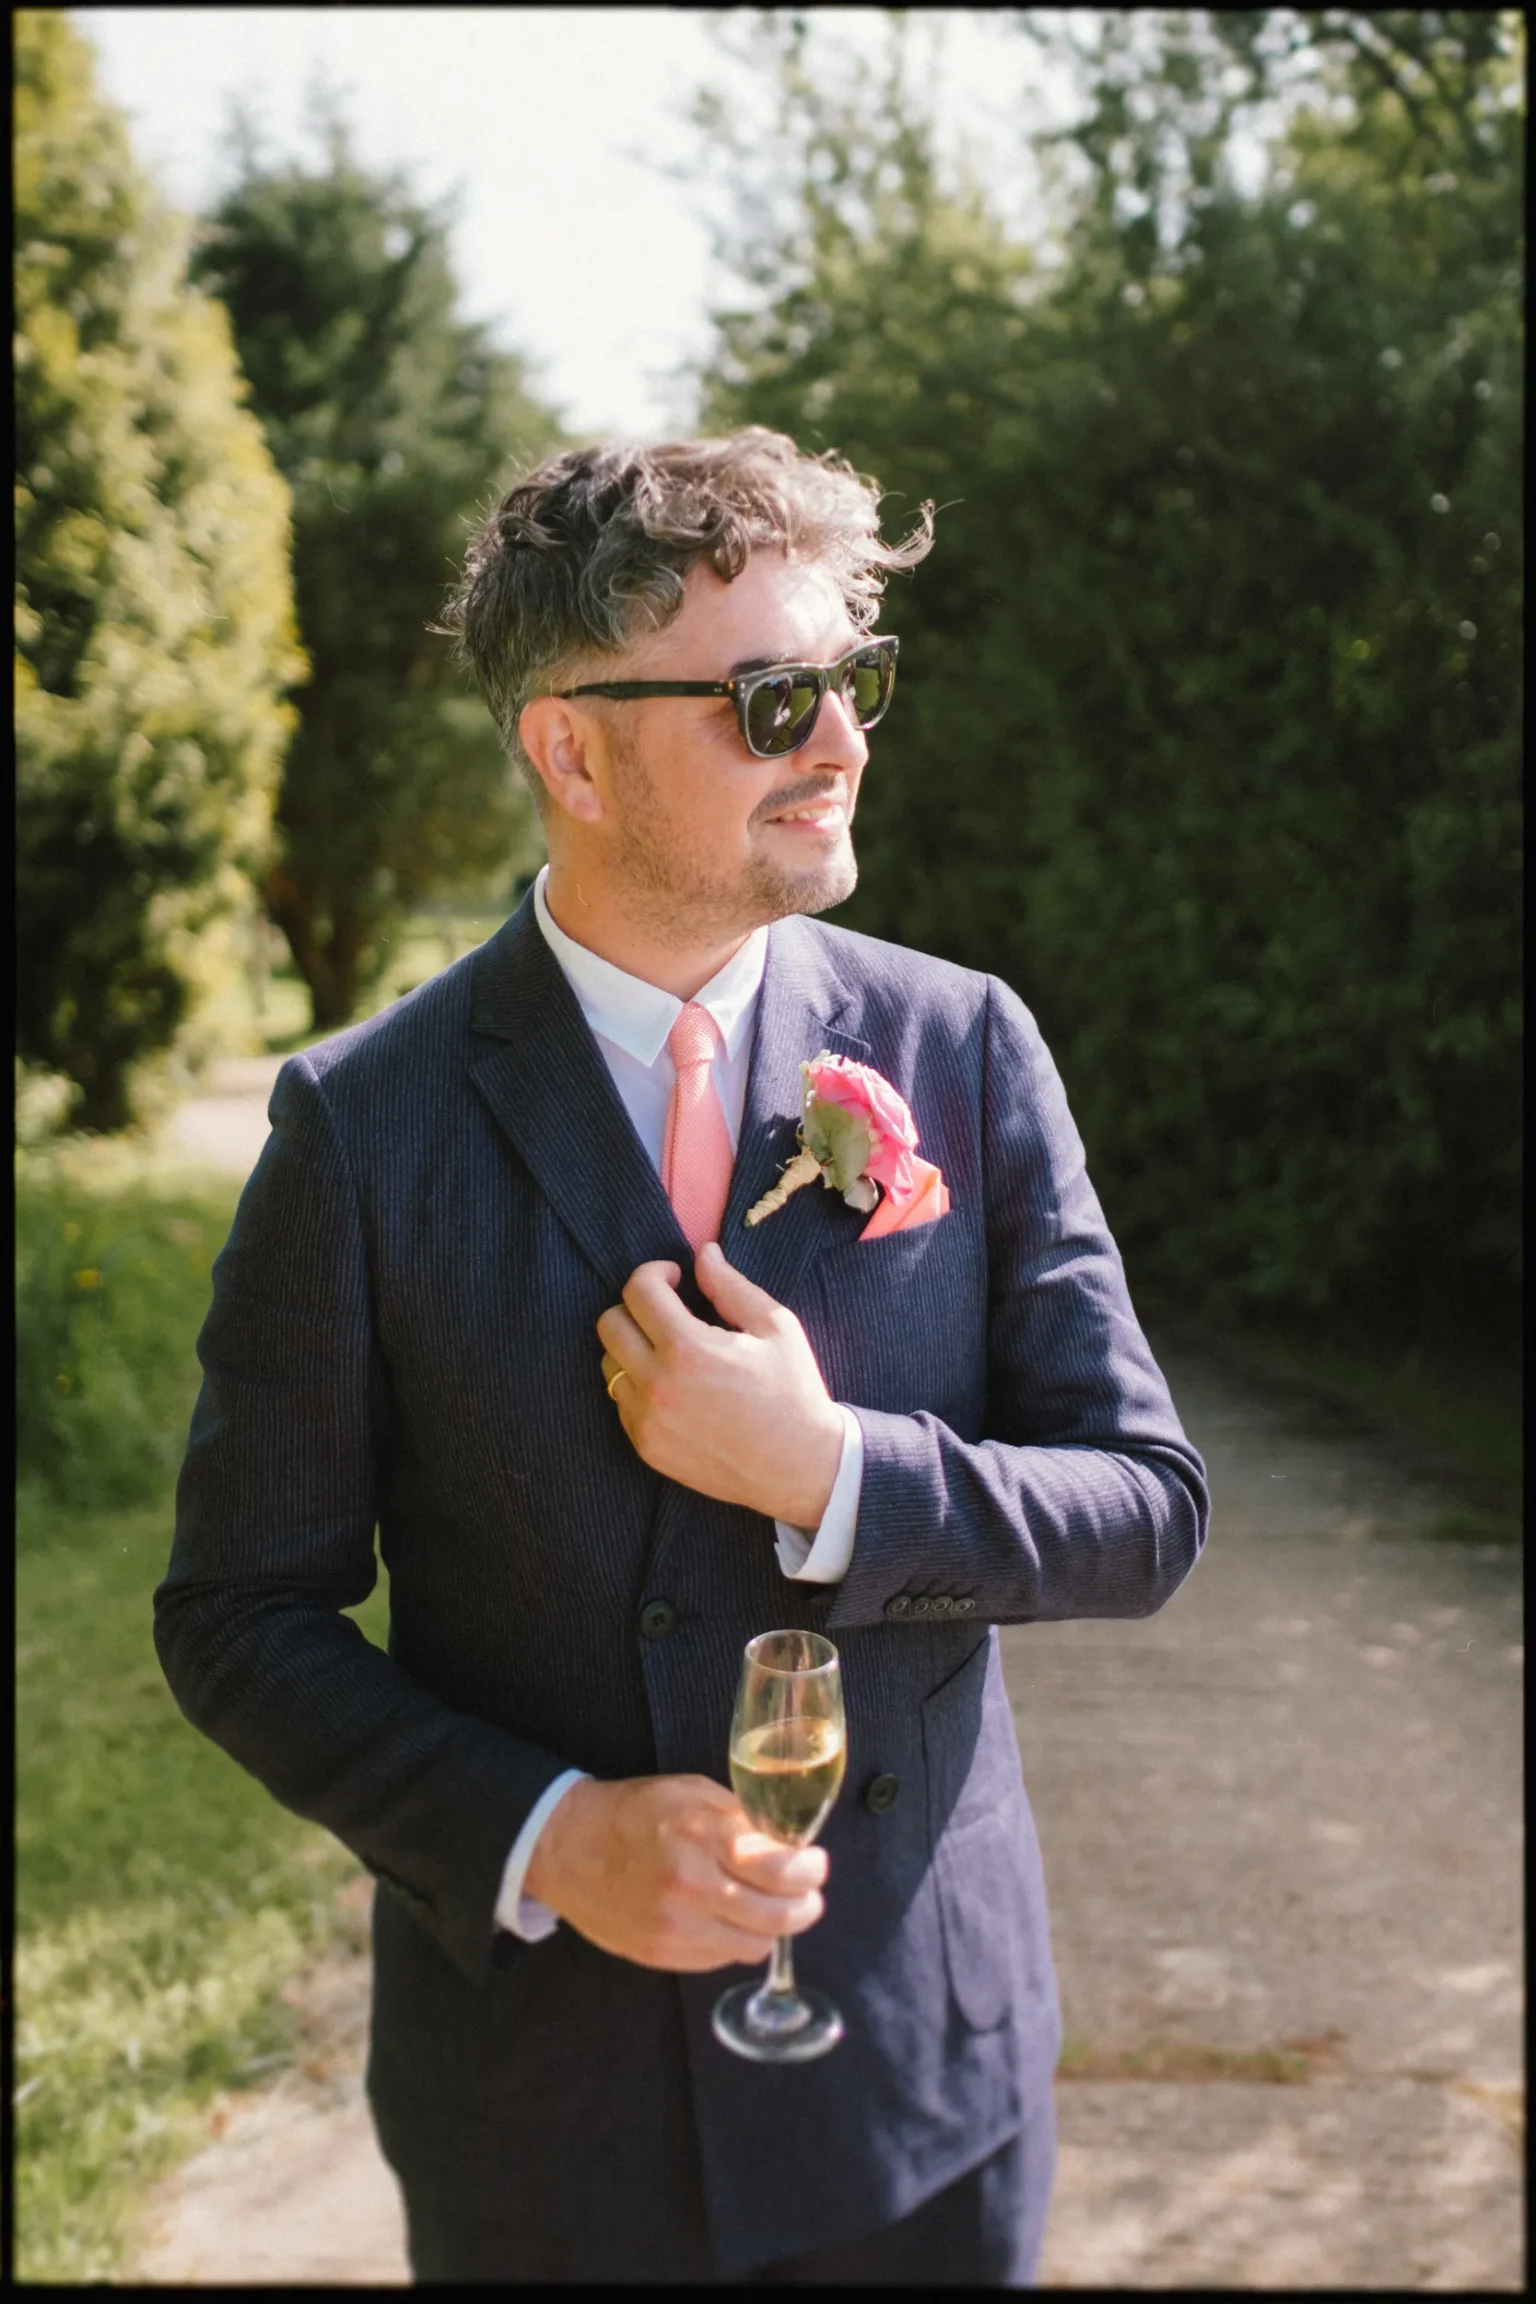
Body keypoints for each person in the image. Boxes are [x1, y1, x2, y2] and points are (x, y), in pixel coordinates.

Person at [155, 427, 1208, 2285]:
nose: (842, 740)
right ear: (570, 747)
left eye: (850, 680)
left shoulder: (961, 1043)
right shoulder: (362, 1127)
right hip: (549, 2115)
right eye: (769, 697)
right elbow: (241, 1613)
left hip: (922, 2076)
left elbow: (1145, 1507)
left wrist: (833, 1474)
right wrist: (546, 1837)